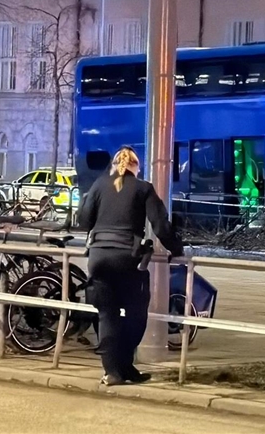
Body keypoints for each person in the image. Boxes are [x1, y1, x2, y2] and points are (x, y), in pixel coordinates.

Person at [79, 146, 184, 386]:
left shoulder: (99, 185)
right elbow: (160, 225)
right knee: (136, 314)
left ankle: (114, 371)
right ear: (136, 167)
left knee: (107, 314)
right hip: (128, 258)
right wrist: (176, 249)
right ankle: (124, 364)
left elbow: (84, 221)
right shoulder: (143, 188)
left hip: (98, 257)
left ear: (114, 165)